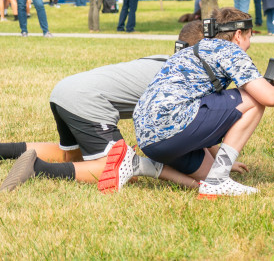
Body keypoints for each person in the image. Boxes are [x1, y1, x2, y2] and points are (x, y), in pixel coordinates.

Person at [0, 22, 207, 193]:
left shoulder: (162, 61)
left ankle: (5, 150)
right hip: (88, 102)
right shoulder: (184, 80)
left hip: (65, 91)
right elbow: (192, 128)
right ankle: (38, 168)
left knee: (71, 156)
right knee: (117, 168)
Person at [123, 7, 274, 197]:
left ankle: (143, 165)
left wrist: (222, 159)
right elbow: (269, 97)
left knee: (206, 179)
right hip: (173, 126)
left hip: (150, 140)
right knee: (254, 99)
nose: (249, 44)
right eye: (250, 37)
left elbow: (201, 111)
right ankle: (219, 180)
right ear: (239, 35)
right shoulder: (229, 50)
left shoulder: (192, 51)